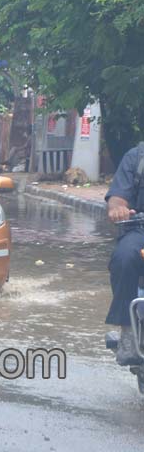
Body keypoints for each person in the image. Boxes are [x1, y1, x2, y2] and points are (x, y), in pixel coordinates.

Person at [104, 144, 144, 365]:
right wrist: (117, 209)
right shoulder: (136, 157)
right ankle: (128, 332)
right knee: (124, 257)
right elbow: (117, 198)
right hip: (141, 230)